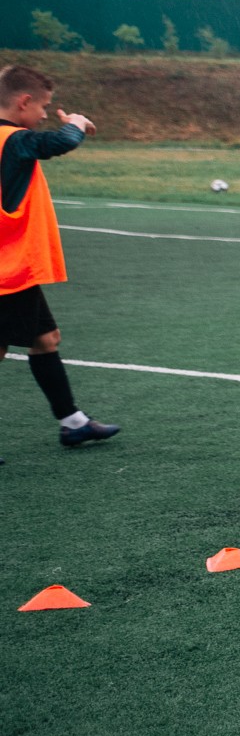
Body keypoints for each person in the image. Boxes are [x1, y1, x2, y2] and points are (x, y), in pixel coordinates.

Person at [0, 65, 117, 462]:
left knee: (45, 339)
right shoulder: (11, 139)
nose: (46, 114)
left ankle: (73, 423)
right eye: (44, 107)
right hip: (6, 270)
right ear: (24, 102)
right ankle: (72, 423)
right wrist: (78, 124)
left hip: (15, 271)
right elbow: (57, 142)